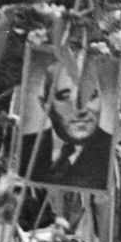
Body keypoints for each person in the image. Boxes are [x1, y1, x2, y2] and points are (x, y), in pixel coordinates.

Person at [21, 59, 114, 191]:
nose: (81, 109)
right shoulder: (24, 147)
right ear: (45, 105)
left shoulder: (111, 150)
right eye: (65, 97)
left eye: (91, 95)